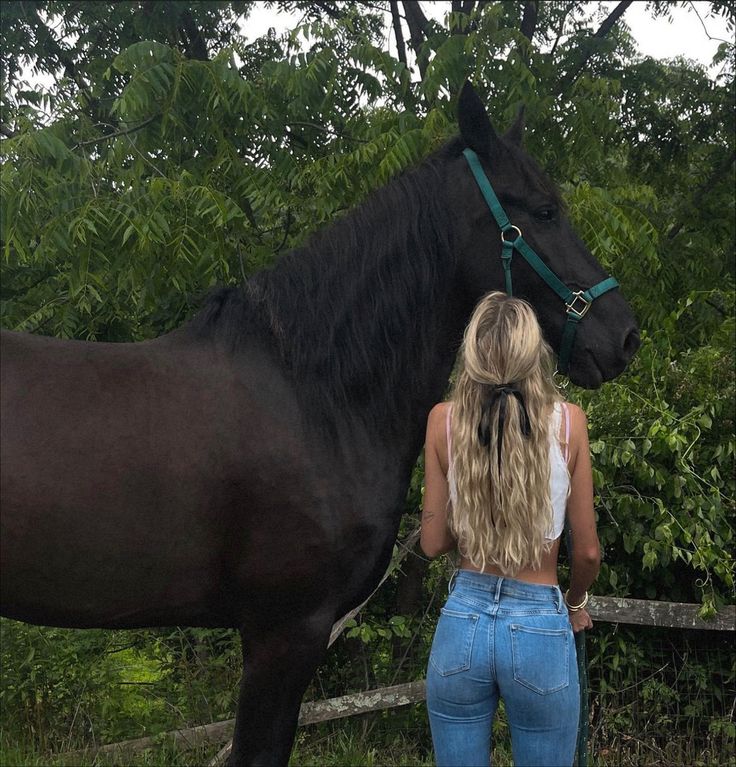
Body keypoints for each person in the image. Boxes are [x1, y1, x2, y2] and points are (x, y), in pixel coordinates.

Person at [421, 291, 600, 767]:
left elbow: (432, 541)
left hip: (463, 621)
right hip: (539, 625)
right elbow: (586, 554)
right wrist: (577, 601)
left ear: (472, 354)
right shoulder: (567, 424)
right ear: (533, 350)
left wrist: (480, 505)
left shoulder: (443, 422)